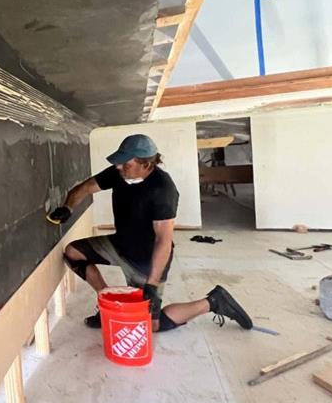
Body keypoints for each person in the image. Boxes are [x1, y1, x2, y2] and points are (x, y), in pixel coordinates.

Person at [47, 134, 252, 332]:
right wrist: (68, 207)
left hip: (147, 259)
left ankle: (213, 302)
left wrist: (152, 285)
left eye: (126, 164)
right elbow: (84, 188)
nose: (119, 167)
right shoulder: (119, 173)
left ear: (146, 164)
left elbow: (164, 239)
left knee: (150, 325)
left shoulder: (163, 189)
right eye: (119, 162)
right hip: (119, 244)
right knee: (73, 253)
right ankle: (108, 302)